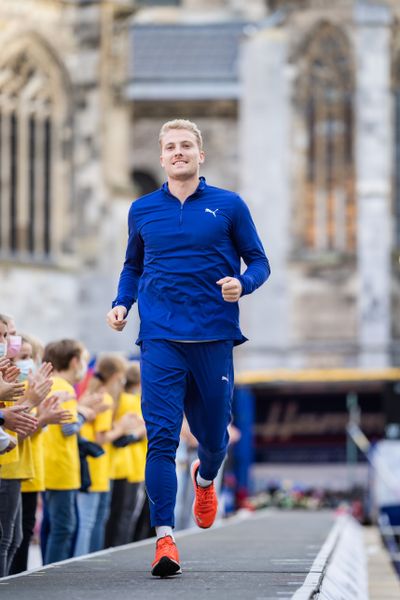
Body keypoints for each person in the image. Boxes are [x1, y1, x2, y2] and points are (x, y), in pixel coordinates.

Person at [107, 119, 270, 577]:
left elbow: (259, 261)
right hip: (158, 337)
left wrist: (244, 283)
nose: (178, 152)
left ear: (200, 155)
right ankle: (164, 540)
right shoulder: (141, 209)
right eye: (170, 147)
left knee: (215, 438)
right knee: (159, 439)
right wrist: (122, 303)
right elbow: (132, 266)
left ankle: (204, 478)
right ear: (161, 157)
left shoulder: (229, 205)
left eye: (186, 146)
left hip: (214, 335)